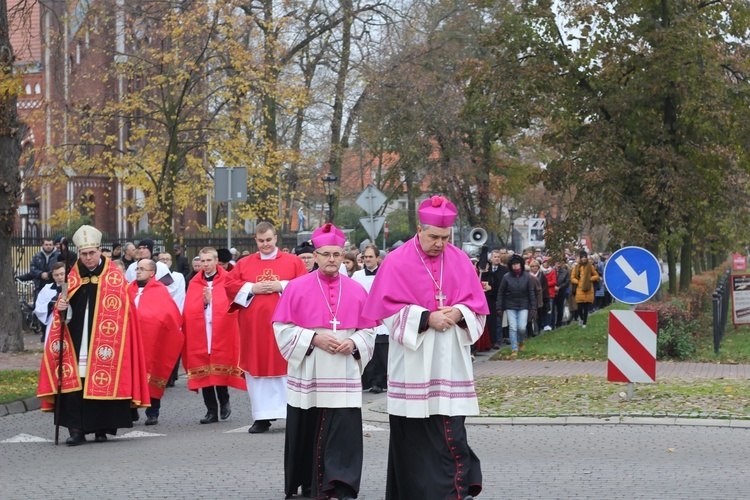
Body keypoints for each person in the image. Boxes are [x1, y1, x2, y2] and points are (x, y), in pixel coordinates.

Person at [363, 196, 487, 500]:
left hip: (451, 362)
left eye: (445, 237)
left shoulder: (459, 260)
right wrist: (426, 318)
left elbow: (478, 309)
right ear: (419, 229)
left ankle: (453, 491)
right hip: (413, 362)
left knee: (451, 431)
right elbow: (386, 311)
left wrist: (460, 313)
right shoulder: (396, 260)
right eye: (433, 236)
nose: (440, 243)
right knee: (414, 439)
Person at [273, 223, 376, 500]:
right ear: (315, 256)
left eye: (337, 254)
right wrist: (312, 339)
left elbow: (369, 329)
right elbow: (281, 328)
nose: (332, 259)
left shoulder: (356, 289)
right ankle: (308, 484)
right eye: (326, 254)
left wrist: (354, 342)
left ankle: (340, 484)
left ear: (343, 256)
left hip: (343, 370)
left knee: (343, 430)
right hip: (310, 369)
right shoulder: (295, 288)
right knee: (309, 425)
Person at [37, 225, 150, 445]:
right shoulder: (72, 279)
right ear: (79, 254)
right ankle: (77, 429)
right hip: (77, 341)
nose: (88, 258)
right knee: (76, 383)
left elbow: (127, 313)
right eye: (84, 254)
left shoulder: (115, 279)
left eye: (92, 253)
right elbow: (63, 313)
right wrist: (61, 307)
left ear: (100, 251)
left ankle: (101, 428)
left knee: (101, 380)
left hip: (106, 344)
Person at [225, 222, 307, 433]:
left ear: (276, 238)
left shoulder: (293, 261)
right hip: (255, 330)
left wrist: (282, 286)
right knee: (257, 369)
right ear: (256, 240)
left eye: (268, 240)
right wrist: (251, 287)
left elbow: (306, 285)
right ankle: (262, 417)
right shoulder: (244, 263)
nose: (265, 244)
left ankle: (293, 415)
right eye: (261, 241)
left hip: (285, 326)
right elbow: (229, 285)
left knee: (287, 367)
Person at [183, 247, 246, 424]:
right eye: (202, 261)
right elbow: (189, 309)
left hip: (222, 331)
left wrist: (215, 303)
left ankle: (224, 401)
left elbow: (232, 305)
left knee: (220, 367)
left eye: (208, 260)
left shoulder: (227, 280)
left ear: (216, 261)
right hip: (202, 331)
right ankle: (211, 411)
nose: (205, 264)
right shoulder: (195, 283)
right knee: (204, 370)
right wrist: (203, 304)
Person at [128, 258, 184, 426]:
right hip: (130, 342)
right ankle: (131, 410)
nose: (138, 271)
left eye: (142, 269)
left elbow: (168, 316)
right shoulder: (128, 289)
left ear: (152, 273)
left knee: (152, 374)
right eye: (137, 268)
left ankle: (153, 412)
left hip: (152, 342)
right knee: (130, 376)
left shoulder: (160, 291)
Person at [352, 243, 388, 393]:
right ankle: (372, 381)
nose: (367, 260)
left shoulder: (385, 273)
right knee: (370, 352)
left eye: (370, 257)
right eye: (365, 257)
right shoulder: (357, 276)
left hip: (382, 316)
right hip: (365, 317)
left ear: (377, 258)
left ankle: (382, 381)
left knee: (382, 351)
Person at [497, 254, 536, 357]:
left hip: (523, 304)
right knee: (513, 327)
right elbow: (501, 292)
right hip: (510, 304)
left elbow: (531, 292)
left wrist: (533, 306)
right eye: (513, 264)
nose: (515, 266)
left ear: (521, 264)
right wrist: (499, 307)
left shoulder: (527, 277)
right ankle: (514, 348)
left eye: (517, 264)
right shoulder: (506, 277)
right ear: (510, 265)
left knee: (522, 327)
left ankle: (521, 341)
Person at [33, 261, 66, 343]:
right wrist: (50, 305)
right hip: (52, 325)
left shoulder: (71, 287)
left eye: (62, 274)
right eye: (56, 275)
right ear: (53, 276)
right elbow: (38, 308)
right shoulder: (47, 289)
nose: (60, 277)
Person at [571, 251, 600, 328]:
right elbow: (572, 277)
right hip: (579, 289)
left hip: (588, 289)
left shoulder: (590, 266)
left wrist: (590, 279)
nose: (583, 259)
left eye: (585, 257)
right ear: (580, 258)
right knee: (580, 307)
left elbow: (596, 276)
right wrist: (578, 281)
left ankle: (584, 323)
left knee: (586, 307)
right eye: (582, 257)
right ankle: (581, 318)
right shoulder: (576, 267)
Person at [486, 250, 508, 348]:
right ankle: (490, 340)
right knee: (490, 320)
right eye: (495, 257)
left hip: (500, 298)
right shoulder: (487, 269)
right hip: (489, 298)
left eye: (498, 257)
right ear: (491, 259)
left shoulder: (504, 270)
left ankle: (497, 341)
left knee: (499, 320)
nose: (497, 258)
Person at [553, 257, 570, 329]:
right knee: (552, 308)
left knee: (560, 308)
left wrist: (559, 287)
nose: (558, 264)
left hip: (561, 292)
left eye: (560, 262)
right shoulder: (552, 271)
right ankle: (552, 323)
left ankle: (558, 323)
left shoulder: (565, 272)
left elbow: (567, 282)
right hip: (552, 292)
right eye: (557, 262)